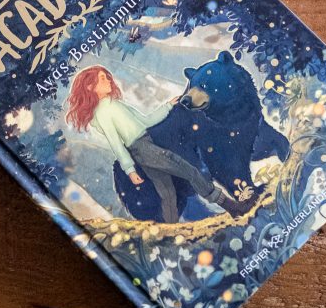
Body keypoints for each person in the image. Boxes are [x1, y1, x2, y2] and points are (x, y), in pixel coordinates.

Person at [65, 65, 249, 223]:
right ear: (90, 86)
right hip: (142, 148)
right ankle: (231, 206)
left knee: (167, 191)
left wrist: (167, 106)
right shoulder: (102, 112)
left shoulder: (114, 105)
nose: (108, 80)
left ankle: (170, 230)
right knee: (190, 172)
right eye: (102, 78)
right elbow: (116, 144)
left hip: (145, 144)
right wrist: (130, 170)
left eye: (107, 76)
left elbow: (145, 121)